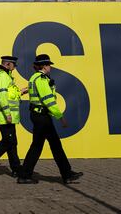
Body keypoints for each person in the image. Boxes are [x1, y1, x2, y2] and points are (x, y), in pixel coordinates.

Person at [17, 53, 83, 184]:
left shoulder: (35, 78)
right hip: (42, 117)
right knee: (53, 145)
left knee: (40, 145)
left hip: (39, 116)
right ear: (43, 66)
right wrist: (60, 117)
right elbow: (48, 100)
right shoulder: (41, 79)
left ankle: (26, 174)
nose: (50, 67)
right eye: (48, 65)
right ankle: (66, 174)